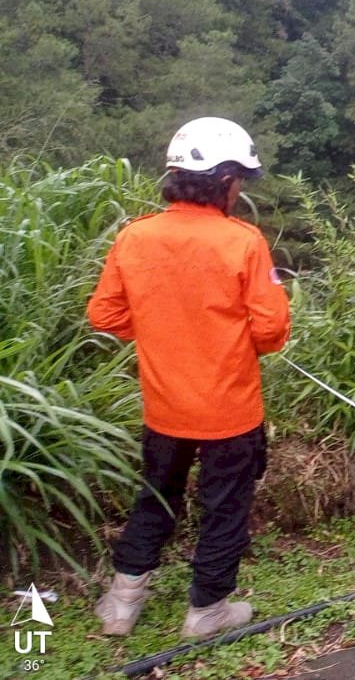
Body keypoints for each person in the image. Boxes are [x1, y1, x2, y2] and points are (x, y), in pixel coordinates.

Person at [88, 117, 291, 639]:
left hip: (164, 407)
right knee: (225, 507)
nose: (239, 189)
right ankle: (206, 612)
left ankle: (121, 603)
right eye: (239, 180)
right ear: (225, 181)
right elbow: (271, 331)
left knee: (156, 494)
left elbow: (105, 316)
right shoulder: (243, 242)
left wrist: (163, 328)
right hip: (230, 410)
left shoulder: (136, 236)